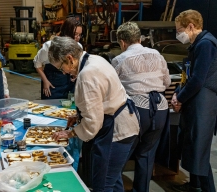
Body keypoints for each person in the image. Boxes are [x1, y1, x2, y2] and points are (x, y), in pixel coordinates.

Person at [49, 36, 140, 191]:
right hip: (125, 122)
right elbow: (101, 100)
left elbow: (93, 122)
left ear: (70, 59)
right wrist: (79, 116)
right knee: (114, 178)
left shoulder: (87, 74)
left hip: (117, 130)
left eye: (60, 67)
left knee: (103, 184)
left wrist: (71, 133)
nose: (63, 72)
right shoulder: (94, 59)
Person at [111, 22, 171, 192]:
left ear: (122, 42)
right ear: (139, 38)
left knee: (120, 155)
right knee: (146, 155)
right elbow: (166, 82)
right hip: (160, 109)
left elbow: (112, 87)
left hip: (136, 110)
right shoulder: (157, 54)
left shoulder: (120, 59)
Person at [171, 9, 217, 192]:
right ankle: (195, 184)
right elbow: (189, 76)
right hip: (197, 102)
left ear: (191, 26)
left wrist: (180, 98)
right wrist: (178, 92)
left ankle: (208, 189)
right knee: (193, 146)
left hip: (203, 104)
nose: (178, 34)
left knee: (200, 150)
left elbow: (198, 79)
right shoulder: (199, 44)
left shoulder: (206, 44)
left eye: (179, 29)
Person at [33, 17, 82, 99]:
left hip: (70, 83)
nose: (78, 37)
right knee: (51, 108)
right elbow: (37, 63)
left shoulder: (78, 47)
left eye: (80, 35)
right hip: (52, 83)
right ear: (67, 32)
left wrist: (75, 74)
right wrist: (45, 81)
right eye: (75, 34)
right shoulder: (50, 46)